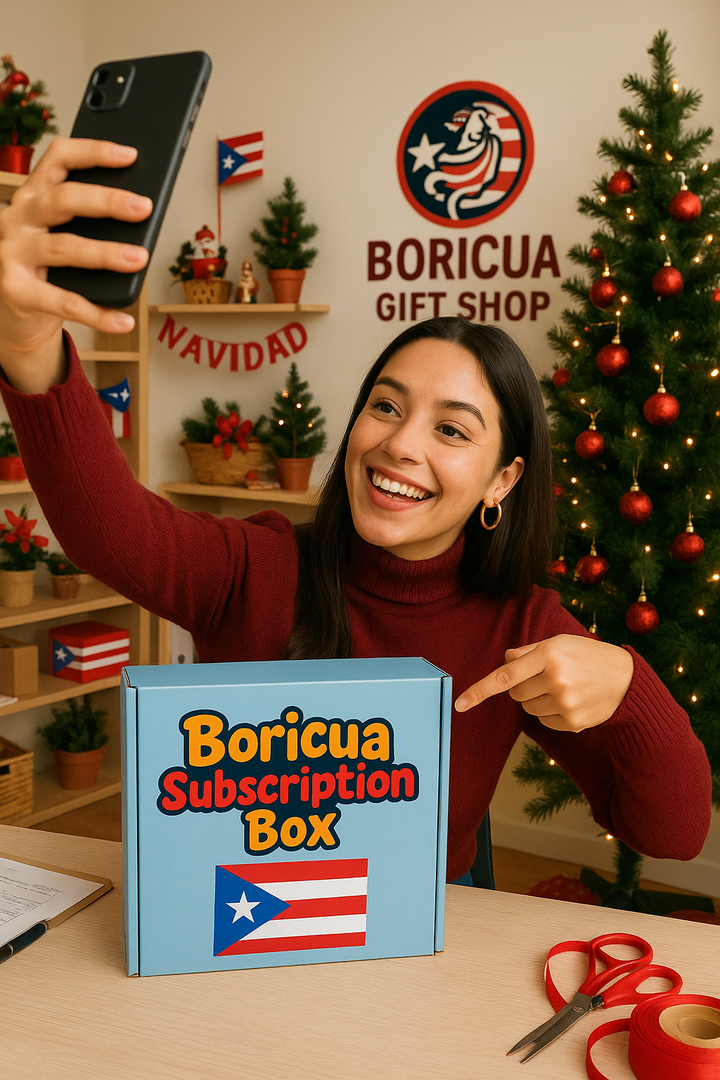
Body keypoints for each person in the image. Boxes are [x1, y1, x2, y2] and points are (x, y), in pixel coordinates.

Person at [0, 138, 712, 883]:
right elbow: (104, 528)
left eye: (450, 429)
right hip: (238, 908)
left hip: (423, 936)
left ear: (502, 480)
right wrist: (27, 341)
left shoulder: (522, 630)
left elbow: (673, 831)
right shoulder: (255, 566)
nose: (399, 444)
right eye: (385, 406)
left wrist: (632, 690)